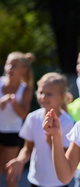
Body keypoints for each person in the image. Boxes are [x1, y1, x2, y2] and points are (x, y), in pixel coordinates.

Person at [5, 72, 74, 187]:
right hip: (36, 179)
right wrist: (20, 160)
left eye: (49, 94)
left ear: (62, 96)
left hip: (58, 182)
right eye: (41, 92)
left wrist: (51, 140)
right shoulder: (33, 118)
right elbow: (27, 149)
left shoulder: (67, 122)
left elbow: (66, 158)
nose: (43, 97)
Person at [0, 51, 34, 187]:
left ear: (23, 70)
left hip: (12, 134)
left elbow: (23, 114)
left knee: (10, 176)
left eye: (14, 65)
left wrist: (13, 102)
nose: (9, 68)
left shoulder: (26, 89)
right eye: (8, 64)